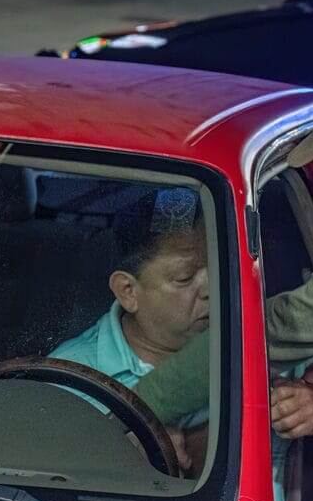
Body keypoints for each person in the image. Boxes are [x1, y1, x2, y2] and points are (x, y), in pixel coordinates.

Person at [48, 187, 212, 475]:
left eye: (216, 269)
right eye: (185, 278)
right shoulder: (68, 380)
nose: (211, 289)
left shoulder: (252, 343)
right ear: (128, 292)